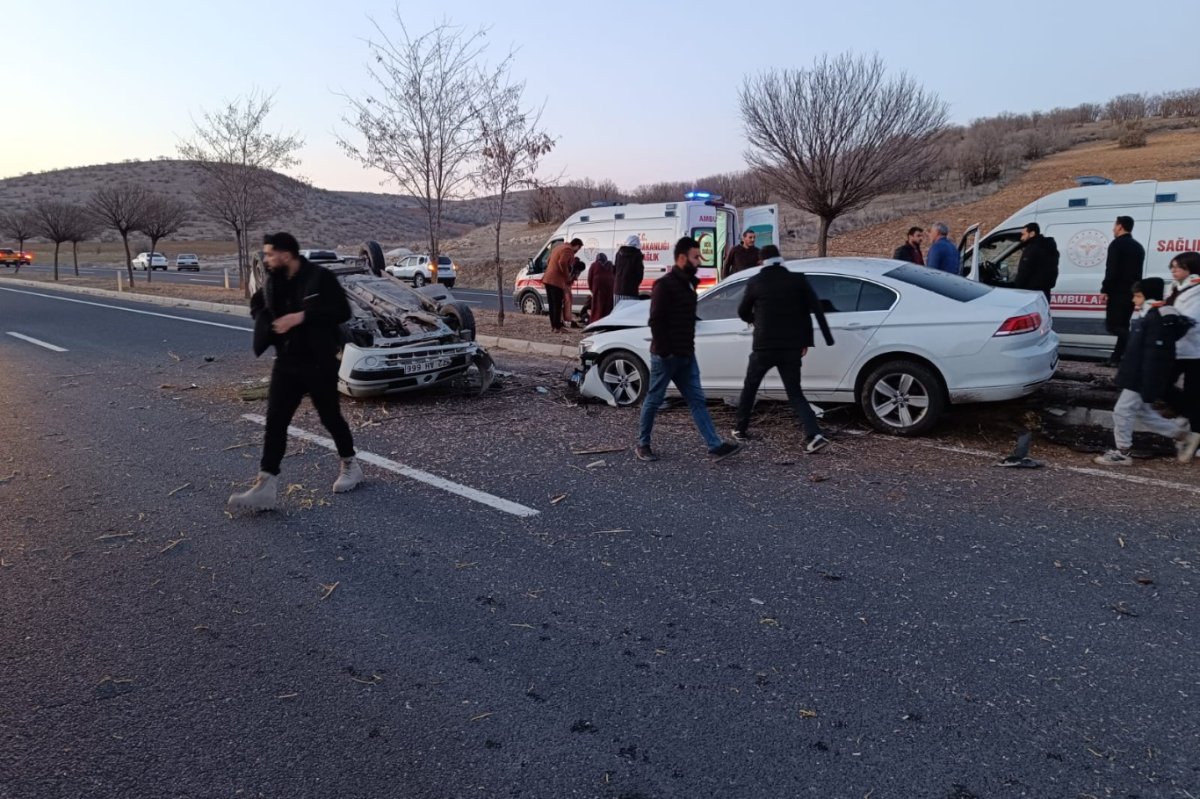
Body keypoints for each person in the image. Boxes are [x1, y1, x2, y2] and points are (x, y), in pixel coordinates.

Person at [228, 232, 362, 512]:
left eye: (269, 254)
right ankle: (266, 485)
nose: (266, 259)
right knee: (275, 421)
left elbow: (342, 311)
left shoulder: (319, 277)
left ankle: (350, 464)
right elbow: (258, 302)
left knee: (330, 417)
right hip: (286, 362)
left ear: (285, 254)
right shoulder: (273, 280)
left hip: (319, 361)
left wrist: (300, 317)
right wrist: (265, 321)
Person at [636, 237, 740, 462]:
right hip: (666, 356)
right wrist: (665, 351)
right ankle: (642, 444)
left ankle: (715, 446)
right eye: (695, 257)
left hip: (686, 354)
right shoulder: (664, 285)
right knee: (654, 399)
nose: (699, 261)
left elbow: (686, 315)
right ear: (682, 258)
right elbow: (656, 321)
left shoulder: (689, 283)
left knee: (697, 400)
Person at [731, 245, 834, 453]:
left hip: (764, 346)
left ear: (761, 261)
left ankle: (740, 428)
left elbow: (742, 311)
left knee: (750, 387)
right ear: (781, 258)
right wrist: (811, 340)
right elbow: (813, 310)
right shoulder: (798, 279)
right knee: (795, 393)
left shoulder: (755, 281)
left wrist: (755, 320)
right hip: (791, 347)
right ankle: (814, 435)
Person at [1093, 278, 1194, 466]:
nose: (1134, 300)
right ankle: (1181, 434)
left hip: (1140, 376)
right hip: (1138, 374)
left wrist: (1148, 382)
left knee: (1122, 411)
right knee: (1142, 412)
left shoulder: (1154, 319)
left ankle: (1122, 451)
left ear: (1148, 297)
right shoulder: (1150, 316)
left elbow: (1152, 355)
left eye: (1138, 296)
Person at [1164, 251, 1200, 462]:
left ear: (1191, 269)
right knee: (1163, 385)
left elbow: (1188, 319)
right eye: (1172, 267)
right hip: (1177, 348)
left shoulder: (1197, 290)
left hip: (1195, 350)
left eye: (1178, 267)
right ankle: (1187, 416)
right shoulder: (1176, 288)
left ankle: (1196, 433)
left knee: (1194, 391)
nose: (1173, 271)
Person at [1100, 216, 1145, 366]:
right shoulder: (1138, 247)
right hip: (1131, 292)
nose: (1113, 229)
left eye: (1114, 225)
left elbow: (1111, 269)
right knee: (1124, 324)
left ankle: (1137, 342)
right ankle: (1116, 358)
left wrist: (1105, 289)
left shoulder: (1117, 245)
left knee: (1113, 325)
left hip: (1118, 291)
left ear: (1120, 227)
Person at [1012, 222, 1060, 301]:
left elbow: (1024, 271)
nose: (1021, 238)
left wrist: (1017, 288)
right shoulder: (1049, 247)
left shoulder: (1033, 248)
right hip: (1045, 292)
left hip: (1031, 292)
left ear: (1032, 233)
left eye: (1023, 234)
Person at [544, 238, 582, 333]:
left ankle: (554, 326)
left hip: (548, 279)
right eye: (579, 248)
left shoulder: (559, 247)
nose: (577, 251)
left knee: (552, 304)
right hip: (556, 281)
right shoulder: (568, 250)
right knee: (557, 304)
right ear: (576, 245)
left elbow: (548, 261)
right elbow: (562, 262)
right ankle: (558, 327)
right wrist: (567, 276)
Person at [613, 235, 644, 305]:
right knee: (629, 313)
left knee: (618, 313)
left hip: (617, 290)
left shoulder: (619, 254)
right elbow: (639, 275)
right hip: (631, 291)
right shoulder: (637, 255)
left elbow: (615, 270)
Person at [587, 252, 615, 323]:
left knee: (597, 307)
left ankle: (597, 322)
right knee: (608, 306)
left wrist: (592, 289)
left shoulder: (594, 265)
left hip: (598, 289)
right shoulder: (610, 265)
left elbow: (589, 278)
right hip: (609, 289)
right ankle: (607, 322)